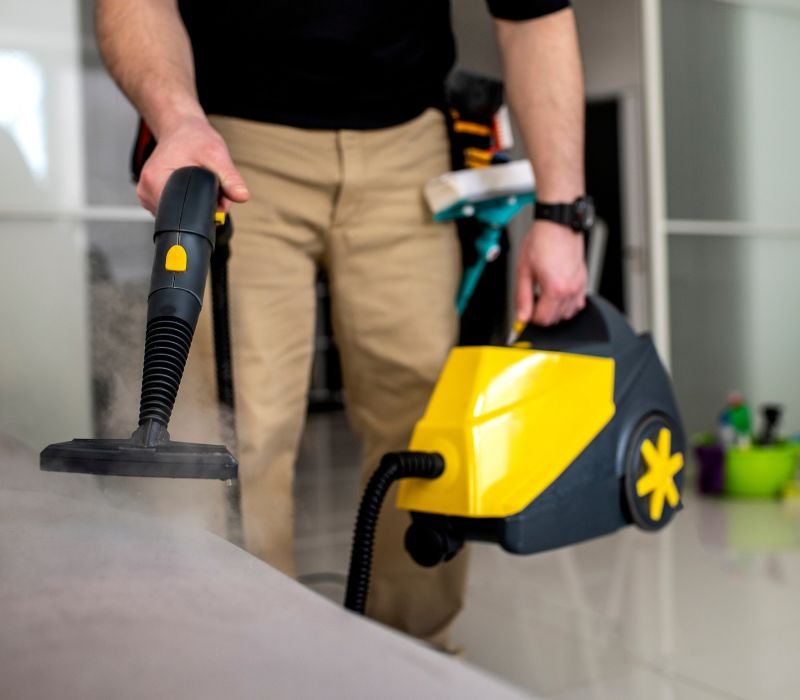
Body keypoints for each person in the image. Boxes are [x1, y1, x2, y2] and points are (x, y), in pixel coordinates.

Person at [96, 0, 589, 650]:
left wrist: (560, 212)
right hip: (235, 133)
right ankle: (243, 657)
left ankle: (414, 655)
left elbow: (533, 13)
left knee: (423, 420)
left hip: (408, 141)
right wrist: (178, 120)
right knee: (239, 425)